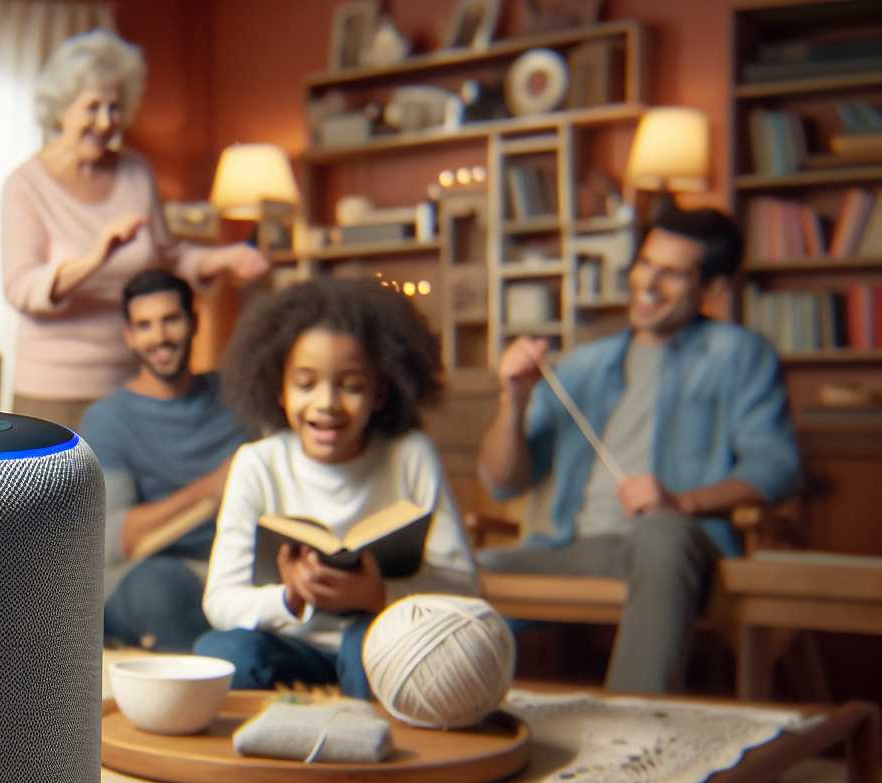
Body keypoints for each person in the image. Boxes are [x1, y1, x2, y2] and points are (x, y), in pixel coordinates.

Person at [476, 205, 801, 694]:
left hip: (679, 546)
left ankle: (632, 727)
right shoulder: (585, 363)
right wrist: (513, 401)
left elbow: (777, 467)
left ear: (712, 288)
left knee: (661, 533)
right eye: (646, 264)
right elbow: (503, 481)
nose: (648, 284)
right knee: (457, 571)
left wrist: (681, 502)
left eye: (671, 274)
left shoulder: (739, 355)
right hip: (576, 548)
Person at [192, 279, 478, 698]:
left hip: (378, 635)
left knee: (379, 651)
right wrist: (290, 598)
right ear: (280, 390)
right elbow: (220, 602)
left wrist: (378, 594)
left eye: (351, 386)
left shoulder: (409, 454)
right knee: (219, 652)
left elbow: (464, 586)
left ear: (380, 391)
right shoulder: (258, 462)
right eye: (305, 384)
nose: (326, 403)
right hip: (289, 641)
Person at [0, 28, 268, 428]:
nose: (107, 122)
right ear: (61, 108)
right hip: (54, 390)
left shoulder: (135, 172)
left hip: (132, 381)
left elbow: (169, 255)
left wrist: (225, 258)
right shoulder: (25, 185)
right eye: (92, 108)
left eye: (114, 108)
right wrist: (96, 257)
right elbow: (22, 289)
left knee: (129, 493)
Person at [78, 269, 250, 652]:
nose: (159, 337)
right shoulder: (108, 420)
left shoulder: (237, 397)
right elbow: (110, 537)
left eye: (171, 320)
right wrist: (213, 486)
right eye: (144, 325)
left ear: (194, 323)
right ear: (129, 336)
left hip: (235, 568)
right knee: (161, 587)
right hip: (145, 575)